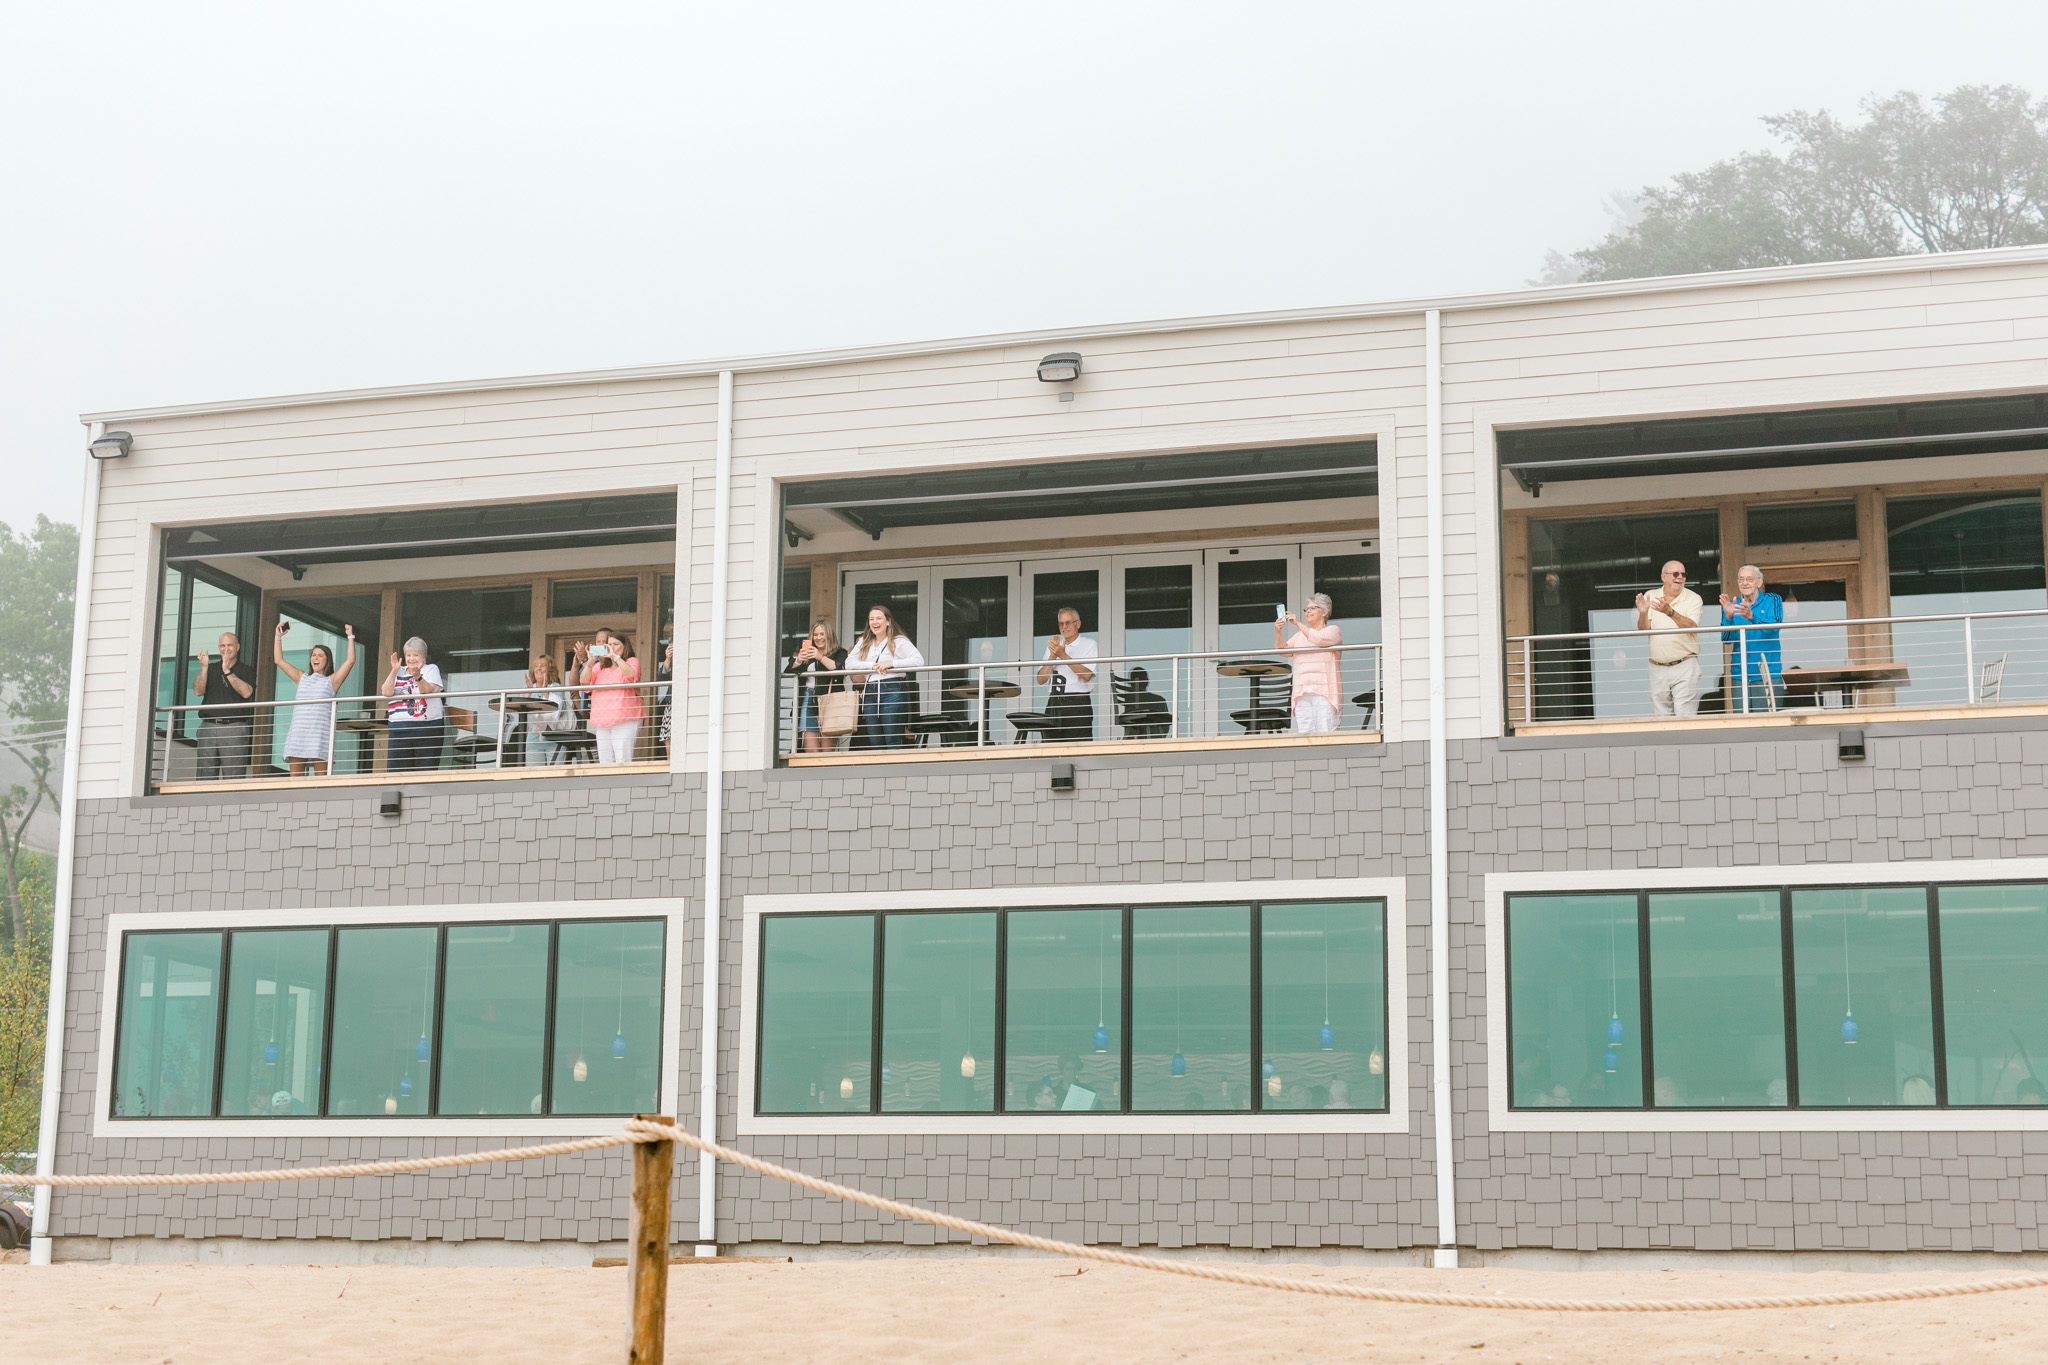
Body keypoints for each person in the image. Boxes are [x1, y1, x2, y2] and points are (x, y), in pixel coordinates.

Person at [273, 621, 357, 777]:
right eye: (313, 655)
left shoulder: (332, 681)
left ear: (327, 660)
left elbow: (350, 661)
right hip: (299, 732)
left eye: (320, 655)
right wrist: (278, 637)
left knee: (320, 780)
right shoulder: (301, 677)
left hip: (319, 733)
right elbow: (279, 660)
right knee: (295, 781)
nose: (315, 658)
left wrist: (350, 636)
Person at [848, 605, 923, 749]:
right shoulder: (864, 641)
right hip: (870, 691)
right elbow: (849, 663)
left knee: (892, 739)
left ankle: (894, 771)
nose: (874, 622)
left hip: (892, 689)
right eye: (871, 619)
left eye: (878, 618)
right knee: (875, 741)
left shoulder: (898, 640)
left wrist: (891, 664)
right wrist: (872, 666)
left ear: (888, 621)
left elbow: (918, 660)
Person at [1635, 560, 1703, 717]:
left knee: (1684, 716)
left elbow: (1692, 626)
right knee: (1661, 719)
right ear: (1663, 576)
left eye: (1683, 574)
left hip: (1685, 665)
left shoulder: (1694, 598)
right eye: (1675, 574)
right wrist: (1643, 613)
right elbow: (1644, 629)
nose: (1680, 577)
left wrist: (1670, 612)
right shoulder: (1650, 596)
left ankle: (1685, 743)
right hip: (1657, 667)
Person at [1719, 564, 1785, 713]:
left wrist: (1752, 617)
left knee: (1768, 724)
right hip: (1740, 675)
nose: (1744, 583)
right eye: (1741, 579)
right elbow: (1727, 639)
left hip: (1767, 673)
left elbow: (1774, 626)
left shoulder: (1773, 599)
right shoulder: (1733, 605)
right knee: (1742, 725)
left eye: (1749, 579)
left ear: (1759, 582)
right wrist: (1728, 617)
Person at [192, 631, 258, 780]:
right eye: (222, 646)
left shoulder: (246, 670)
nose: (226, 649)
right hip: (208, 728)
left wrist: (227, 671)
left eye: (229, 645)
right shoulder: (211, 668)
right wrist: (204, 668)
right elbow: (197, 691)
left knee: (233, 779)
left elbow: (247, 693)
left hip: (234, 728)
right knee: (205, 779)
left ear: (237, 647)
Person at [1276, 592, 1344, 733]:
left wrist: (1298, 623)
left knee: (1327, 735)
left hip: (1325, 693)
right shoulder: (1300, 635)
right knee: (1306, 737)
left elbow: (1319, 639)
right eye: (1306, 609)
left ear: (1325, 612)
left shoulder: (1333, 630)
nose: (1308, 612)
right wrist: (1278, 631)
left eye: (1313, 608)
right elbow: (1283, 651)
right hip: (1303, 693)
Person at [578, 627, 644, 764]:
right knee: (605, 761)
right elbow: (584, 681)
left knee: (622, 759)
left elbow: (632, 675)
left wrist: (616, 657)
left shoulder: (632, 661)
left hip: (625, 718)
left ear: (624, 646)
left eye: (616, 644)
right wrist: (590, 662)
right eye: (610, 644)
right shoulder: (600, 666)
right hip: (602, 720)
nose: (611, 647)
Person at [381, 636, 446, 771]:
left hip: (426, 728)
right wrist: (394, 670)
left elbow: (427, 690)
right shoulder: (399, 671)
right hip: (399, 728)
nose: (411, 658)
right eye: (408, 655)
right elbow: (386, 692)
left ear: (423, 657)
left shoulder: (431, 669)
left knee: (425, 772)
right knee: (397, 773)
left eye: (415, 655)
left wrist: (418, 677)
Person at [785, 619, 849, 753]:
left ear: (829, 635)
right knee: (811, 751)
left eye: (822, 634)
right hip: (808, 700)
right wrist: (799, 660)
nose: (818, 638)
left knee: (827, 751)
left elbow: (839, 670)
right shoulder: (807, 654)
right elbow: (788, 670)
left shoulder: (839, 652)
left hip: (830, 701)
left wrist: (820, 657)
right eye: (815, 635)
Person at [1035, 606, 1098, 742]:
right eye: (1061, 623)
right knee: (1050, 749)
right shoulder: (1053, 647)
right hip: (1054, 702)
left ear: (1078, 624)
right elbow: (1041, 679)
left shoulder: (1089, 644)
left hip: (1078, 703)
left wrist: (1062, 654)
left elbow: (1087, 675)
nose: (1065, 627)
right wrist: (1052, 655)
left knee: (1079, 750)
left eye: (1068, 622)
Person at [522, 654, 579, 764]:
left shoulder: (555, 686)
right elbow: (523, 711)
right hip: (534, 739)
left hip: (554, 739)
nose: (538, 668)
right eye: (536, 666)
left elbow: (560, 709)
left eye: (543, 666)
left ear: (550, 669)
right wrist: (529, 692)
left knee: (555, 777)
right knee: (534, 776)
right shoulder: (528, 688)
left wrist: (546, 692)